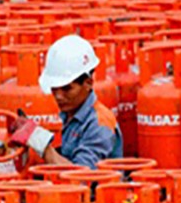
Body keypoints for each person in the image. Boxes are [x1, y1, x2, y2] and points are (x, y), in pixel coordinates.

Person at [10, 34, 122, 168]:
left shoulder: (99, 125)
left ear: (88, 83)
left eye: (66, 89)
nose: (58, 96)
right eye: (54, 89)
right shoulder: (71, 114)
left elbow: (80, 175)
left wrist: (42, 145)